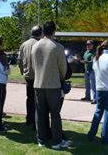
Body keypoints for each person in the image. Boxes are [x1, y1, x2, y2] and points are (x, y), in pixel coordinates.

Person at [31, 20, 70, 149]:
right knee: (55, 114)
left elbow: (33, 65)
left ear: (43, 31)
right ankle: (56, 141)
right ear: (54, 31)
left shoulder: (35, 46)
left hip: (38, 83)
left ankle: (41, 139)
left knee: (41, 113)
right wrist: (62, 77)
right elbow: (63, 68)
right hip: (53, 84)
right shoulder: (57, 47)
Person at [88, 39, 108, 145]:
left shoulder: (96, 58)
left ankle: (91, 134)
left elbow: (95, 72)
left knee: (98, 112)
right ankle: (105, 138)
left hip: (100, 89)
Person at [17, 25, 43, 128]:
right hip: (39, 76)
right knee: (39, 100)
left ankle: (29, 119)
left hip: (28, 76)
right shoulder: (40, 44)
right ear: (41, 34)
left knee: (30, 98)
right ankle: (37, 121)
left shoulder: (24, 44)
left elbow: (19, 60)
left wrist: (23, 71)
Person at [73, 40, 97, 104]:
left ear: (92, 45)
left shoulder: (93, 53)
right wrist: (77, 58)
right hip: (86, 70)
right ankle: (87, 96)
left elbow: (92, 62)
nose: (88, 46)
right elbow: (83, 60)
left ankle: (95, 99)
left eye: (89, 45)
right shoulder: (86, 52)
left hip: (92, 71)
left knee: (93, 85)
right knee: (87, 85)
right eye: (87, 45)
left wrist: (85, 62)